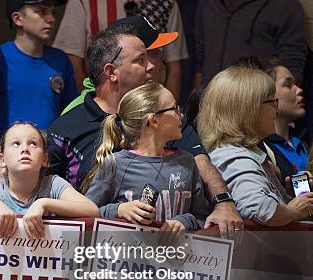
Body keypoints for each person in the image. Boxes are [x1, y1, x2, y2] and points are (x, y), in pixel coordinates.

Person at [46, 20, 244, 233]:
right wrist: (117, 210)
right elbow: (46, 195)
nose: (152, 65)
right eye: (141, 60)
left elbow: (201, 163)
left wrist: (223, 202)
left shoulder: (168, 119)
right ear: (112, 72)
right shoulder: (63, 130)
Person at [0, 122, 99, 239]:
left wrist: (43, 204)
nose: (25, 149)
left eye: (33, 144)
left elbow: (92, 210)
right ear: (2, 158)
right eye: (16, 144)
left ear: (45, 159)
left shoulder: (53, 184)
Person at [84, 82, 209, 231]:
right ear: (153, 120)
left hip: (173, 253)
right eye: (174, 109)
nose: (181, 114)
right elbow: (87, 212)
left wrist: (185, 221)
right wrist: (118, 210)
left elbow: (202, 216)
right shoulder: (115, 164)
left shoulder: (187, 162)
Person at [198, 66, 313, 226]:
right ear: (248, 110)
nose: (276, 108)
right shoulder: (236, 158)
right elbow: (261, 209)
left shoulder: (243, 152)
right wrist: (292, 211)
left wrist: (286, 195)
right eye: (272, 102)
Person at [53, 0, 188, 101]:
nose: (154, 63)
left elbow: (174, 67)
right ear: (110, 71)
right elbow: (73, 60)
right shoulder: (85, 2)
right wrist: (95, 103)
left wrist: (168, 110)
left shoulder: (166, 3)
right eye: (141, 58)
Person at [0, 0, 77, 141]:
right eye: (41, 11)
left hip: (50, 156)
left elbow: (70, 114)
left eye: (53, 12)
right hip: (8, 154)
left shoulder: (61, 61)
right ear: (17, 18)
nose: (51, 19)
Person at [195, 0, 307, 86]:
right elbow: (200, 63)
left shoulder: (286, 7)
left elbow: (291, 74)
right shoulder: (208, 4)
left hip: (256, 105)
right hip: (209, 105)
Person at [259, 59, 309, 182]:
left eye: (296, 84)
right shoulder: (260, 149)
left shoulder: (304, 142)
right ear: (268, 94)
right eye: (288, 85)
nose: (299, 90)